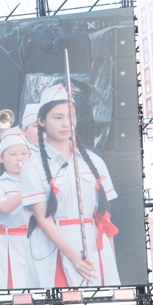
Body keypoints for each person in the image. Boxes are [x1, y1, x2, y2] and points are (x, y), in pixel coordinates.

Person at [21, 84, 119, 287]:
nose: (66, 123)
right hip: (54, 250)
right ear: (41, 121)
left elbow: (104, 218)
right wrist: (74, 256)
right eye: (58, 117)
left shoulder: (95, 162)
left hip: (96, 249)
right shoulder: (33, 167)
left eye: (71, 116)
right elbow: (43, 218)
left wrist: (111, 265)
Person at [0, 130, 35, 289]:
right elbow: (4, 208)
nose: (19, 158)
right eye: (13, 154)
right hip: (8, 243)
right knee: (10, 288)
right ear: (1, 157)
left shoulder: (38, 181)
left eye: (23, 153)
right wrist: (28, 188)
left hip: (34, 241)